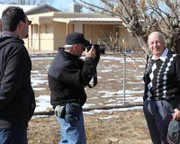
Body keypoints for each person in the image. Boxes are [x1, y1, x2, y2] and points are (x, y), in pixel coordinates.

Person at [48, 32, 98, 144]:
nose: (84, 50)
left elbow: (85, 70)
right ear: (75, 47)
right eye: (82, 47)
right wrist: (89, 60)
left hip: (67, 108)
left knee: (67, 141)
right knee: (75, 141)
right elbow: (82, 79)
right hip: (68, 110)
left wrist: (93, 59)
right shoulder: (65, 64)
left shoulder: (67, 58)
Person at [0, 6, 36, 144]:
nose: (29, 26)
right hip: (10, 125)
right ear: (21, 24)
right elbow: (8, 89)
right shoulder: (16, 49)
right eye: (28, 22)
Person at [143, 31, 180, 144]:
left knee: (169, 141)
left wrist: (179, 108)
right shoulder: (149, 59)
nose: (155, 45)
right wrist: (145, 102)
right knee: (156, 140)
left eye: (158, 42)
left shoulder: (175, 59)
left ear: (164, 42)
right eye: (152, 43)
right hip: (150, 106)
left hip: (167, 106)